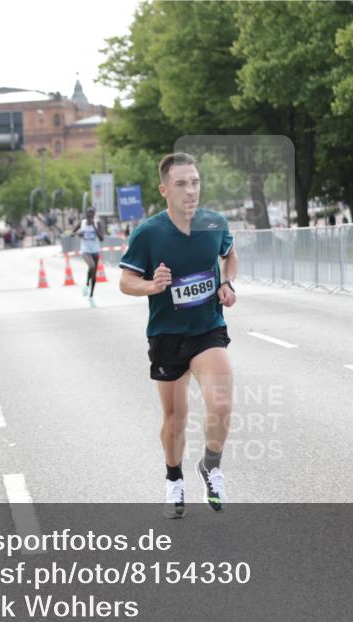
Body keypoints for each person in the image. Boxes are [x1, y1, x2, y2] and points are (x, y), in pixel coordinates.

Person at [118, 152, 237, 519]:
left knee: (220, 404)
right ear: (165, 190)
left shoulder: (214, 223)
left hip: (207, 329)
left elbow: (230, 255)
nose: (191, 191)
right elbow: (126, 282)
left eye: (195, 182)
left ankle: (211, 467)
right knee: (176, 419)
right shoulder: (149, 233)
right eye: (182, 184)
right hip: (168, 335)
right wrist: (152, 285)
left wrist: (228, 282)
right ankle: (174, 478)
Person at [78, 207, 104, 307]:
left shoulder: (97, 223)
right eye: (88, 213)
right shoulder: (82, 223)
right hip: (85, 250)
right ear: (86, 214)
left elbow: (102, 238)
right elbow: (73, 233)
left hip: (95, 250)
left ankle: (91, 296)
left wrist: (94, 228)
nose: (90, 215)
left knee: (94, 275)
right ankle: (86, 285)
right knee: (92, 266)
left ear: (94, 214)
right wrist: (79, 234)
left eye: (92, 213)